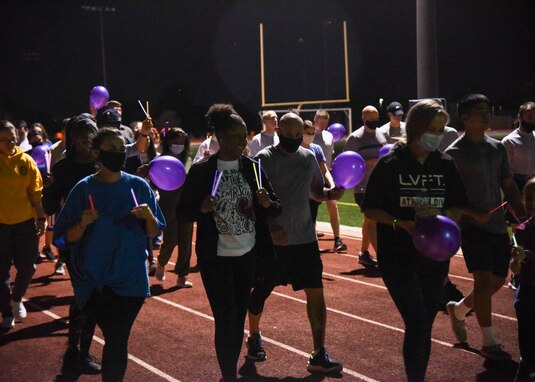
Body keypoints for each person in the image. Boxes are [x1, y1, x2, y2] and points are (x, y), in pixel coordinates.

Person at [362, 100, 467, 382]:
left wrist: (442, 215)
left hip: (434, 257)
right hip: (398, 256)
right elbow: (369, 208)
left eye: (442, 128)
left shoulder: (444, 164)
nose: (439, 134)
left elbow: (458, 206)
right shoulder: (391, 163)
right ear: (418, 127)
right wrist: (400, 222)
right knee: (417, 320)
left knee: (425, 325)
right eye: (433, 128)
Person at [178, 104, 281, 382]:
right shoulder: (202, 171)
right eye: (236, 138)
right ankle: (228, 375)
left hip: (247, 255)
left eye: (244, 137)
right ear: (220, 138)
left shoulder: (252, 168)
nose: (242, 143)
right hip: (216, 258)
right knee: (225, 319)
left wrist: (266, 202)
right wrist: (201, 208)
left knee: (237, 320)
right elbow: (182, 213)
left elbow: (275, 208)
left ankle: (229, 373)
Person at [53, 127, 165, 381]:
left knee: (118, 339)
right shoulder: (83, 190)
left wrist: (149, 217)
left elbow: (154, 230)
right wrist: (81, 224)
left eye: (120, 149)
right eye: (111, 149)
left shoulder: (138, 186)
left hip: (131, 281)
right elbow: (61, 238)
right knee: (116, 338)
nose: (118, 154)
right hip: (95, 283)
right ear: (96, 152)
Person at [249, 112, 344, 374]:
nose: (292, 139)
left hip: (305, 239)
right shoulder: (263, 159)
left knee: (316, 292)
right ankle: (254, 335)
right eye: (288, 134)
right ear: (278, 130)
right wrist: (271, 226)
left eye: (296, 135)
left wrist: (329, 194)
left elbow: (314, 190)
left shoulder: (309, 156)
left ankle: (318, 352)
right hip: (273, 242)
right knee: (261, 292)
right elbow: (255, 201)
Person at [445, 93, 525, 361]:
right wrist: (469, 212)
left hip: (497, 225)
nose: (487, 115)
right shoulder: (452, 154)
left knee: (497, 280)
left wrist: (523, 215)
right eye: (480, 111)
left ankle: (458, 310)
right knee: (481, 279)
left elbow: (509, 185)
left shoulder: (497, 148)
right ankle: (489, 343)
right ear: (465, 118)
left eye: (488, 110)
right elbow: (447, 197)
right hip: (470, 226)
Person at [42, 114, 102, 374]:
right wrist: (50, 188)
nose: (91, 142)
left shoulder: (103, 164)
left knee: (96, 296)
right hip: (74, 239)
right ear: (75, 139)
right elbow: (50, 207)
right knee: (84, 294)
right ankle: (77, 352)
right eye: (87, 137)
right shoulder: (63, 168)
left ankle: (80, 350)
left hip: (102, 237)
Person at [0, 120, 46, 329]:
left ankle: (16, 298)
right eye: (5, 140)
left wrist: (41, 217)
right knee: (1, 273)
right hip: (1, 225)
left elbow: (36, 193)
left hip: (25, 223)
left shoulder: (26, 160)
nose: (11, 143)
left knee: (28, 266)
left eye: (13, 139)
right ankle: (7, 312)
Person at [343, 105, 387, 268]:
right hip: (362, 186)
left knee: (369, 221)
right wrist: (370, 161)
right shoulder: (355, 138)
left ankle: (364, 253)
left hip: (379, 185)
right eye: (371, 119)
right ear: (363, 118)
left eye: (376, 118)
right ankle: (381, 257)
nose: (374, 121)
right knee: (372, 219)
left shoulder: (382, 134)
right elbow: (347, 162)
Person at [154, 127, 195, 287]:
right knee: (171, 240)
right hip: (169, 204)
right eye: (174, 141)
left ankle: (182, 276)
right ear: (168, 142)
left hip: (186, 204)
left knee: (185, 242)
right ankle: (161, 263)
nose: (178, 144)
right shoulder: (162, 160)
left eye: (181, 142)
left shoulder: (188, 159)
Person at [501, 101, 535, 290]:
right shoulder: (509, 141)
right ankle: (516, 273)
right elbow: (504, 172)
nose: (533, 119)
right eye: (529, 116)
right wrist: (511, 198)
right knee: (518, 231)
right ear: (520, 116)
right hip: (517, 186)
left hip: (533, 184)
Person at [509, 178, 535, 382]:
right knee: (526, 331)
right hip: (527, 289)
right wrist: (516, 263)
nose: (532, 202)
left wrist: (527, 255)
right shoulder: (522, 230)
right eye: (529, 198)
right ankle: (527, 363)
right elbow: (516, 268)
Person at [312, 109, 347, 252]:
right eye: (319, 119)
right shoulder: (308, 135)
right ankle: (312, 241)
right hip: (312, 177)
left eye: (324, 120)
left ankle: (337, 239)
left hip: (327, 176)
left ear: (327, 121)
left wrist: (333, 178)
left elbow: (330, 157)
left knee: (333, 206)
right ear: (315, 119)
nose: (321, 122)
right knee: (311, 209)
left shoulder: (329, 136)